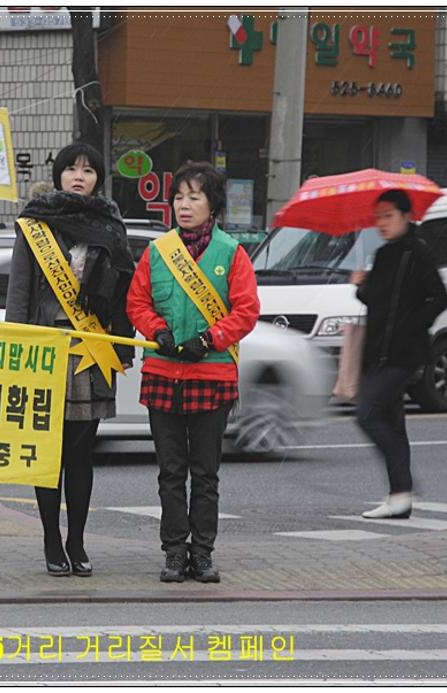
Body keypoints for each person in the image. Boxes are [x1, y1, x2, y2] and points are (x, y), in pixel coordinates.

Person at [5, 142, 136, 577]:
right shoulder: (35, 224)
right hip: (47, 347)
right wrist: (16, 349)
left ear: (98, 178)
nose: (79, 176)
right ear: (58, 175)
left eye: (88, 170)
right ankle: (50, 539)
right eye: (71, 169)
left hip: (93, 349)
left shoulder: (111, 225)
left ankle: (77, 540)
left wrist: (121, 345)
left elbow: (122, 294)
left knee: (82, 452)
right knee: (49, 452)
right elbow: (19, 292)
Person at [126, 161, 259, 583]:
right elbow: (138, 303)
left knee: (205, 474)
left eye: (194, 197)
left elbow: (247, 310)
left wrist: (210, 339)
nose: (184, 205)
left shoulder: (231, 254)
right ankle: (173, 552)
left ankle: (202, 554)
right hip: (164, 374)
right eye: (179, 197)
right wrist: (157, 330)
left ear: (213, 205)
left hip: (212, 377)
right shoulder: (157, 252)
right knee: (170, 473)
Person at [350, 188, 447, 519]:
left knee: (368, 414)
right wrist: (362, 287)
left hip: (404, 354)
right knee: (392, 422)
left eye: (388, 215)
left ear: (407, 217)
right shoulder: (383, 255)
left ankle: (404, 487)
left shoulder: (419, 254)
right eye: (378, 216)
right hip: (378, 352)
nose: (381, 222)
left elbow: (440, 298)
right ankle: (400, 496)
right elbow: (377, 303)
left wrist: (411, 326)